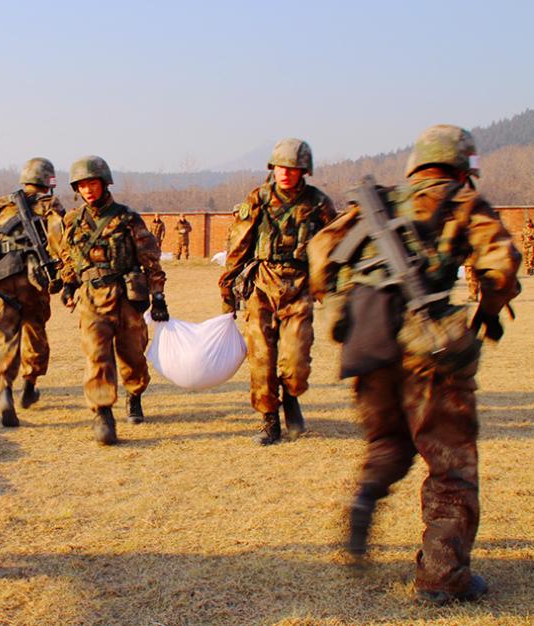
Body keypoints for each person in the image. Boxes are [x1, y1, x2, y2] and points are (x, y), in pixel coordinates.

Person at [308, 124, 520, 605]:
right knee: (451, 468)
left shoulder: (377, 203)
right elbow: (502, 267)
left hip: (371, 346)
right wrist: (488, 311)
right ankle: (442, 579)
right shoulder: (463, 203)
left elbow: (320, 257)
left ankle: (365, 496)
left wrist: (347, 307)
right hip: (430, 351)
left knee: (389, 443)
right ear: (461, 165)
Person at [218, 138, 336, 445]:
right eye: (281, 167)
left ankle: (292, 396)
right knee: (261, 356)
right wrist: (227, 286)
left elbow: (331, 247)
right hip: (263, 285)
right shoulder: (258, 198)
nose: (286, 173)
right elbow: (239, 244)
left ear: (303, 171)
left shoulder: (318, 203)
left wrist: (332, 288)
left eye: (293, 168)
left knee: (295, 361)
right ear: (274, 167)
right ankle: (269, 418)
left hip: (299, 288)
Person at [58, 155, 168, 445]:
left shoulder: (127, 218)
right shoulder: (73, 221)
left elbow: (151, 260)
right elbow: (67, 256)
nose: (88, 190)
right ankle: (103, 412)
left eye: (92, 183)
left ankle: (134, 394)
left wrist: (158, 296)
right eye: (82, 185)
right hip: (91, 298)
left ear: (104, 183)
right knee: (96, 354)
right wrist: (68, 284)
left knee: (132, 356)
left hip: (125, 297)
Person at [0, 157, 65, 427]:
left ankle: (5, 391)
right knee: (35, 331)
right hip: (33, 280)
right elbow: (59, 238)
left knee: (5, 336)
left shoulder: (2, 204)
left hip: (1, 278)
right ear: (47, 181)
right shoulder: (49, 204)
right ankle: (29, 387)